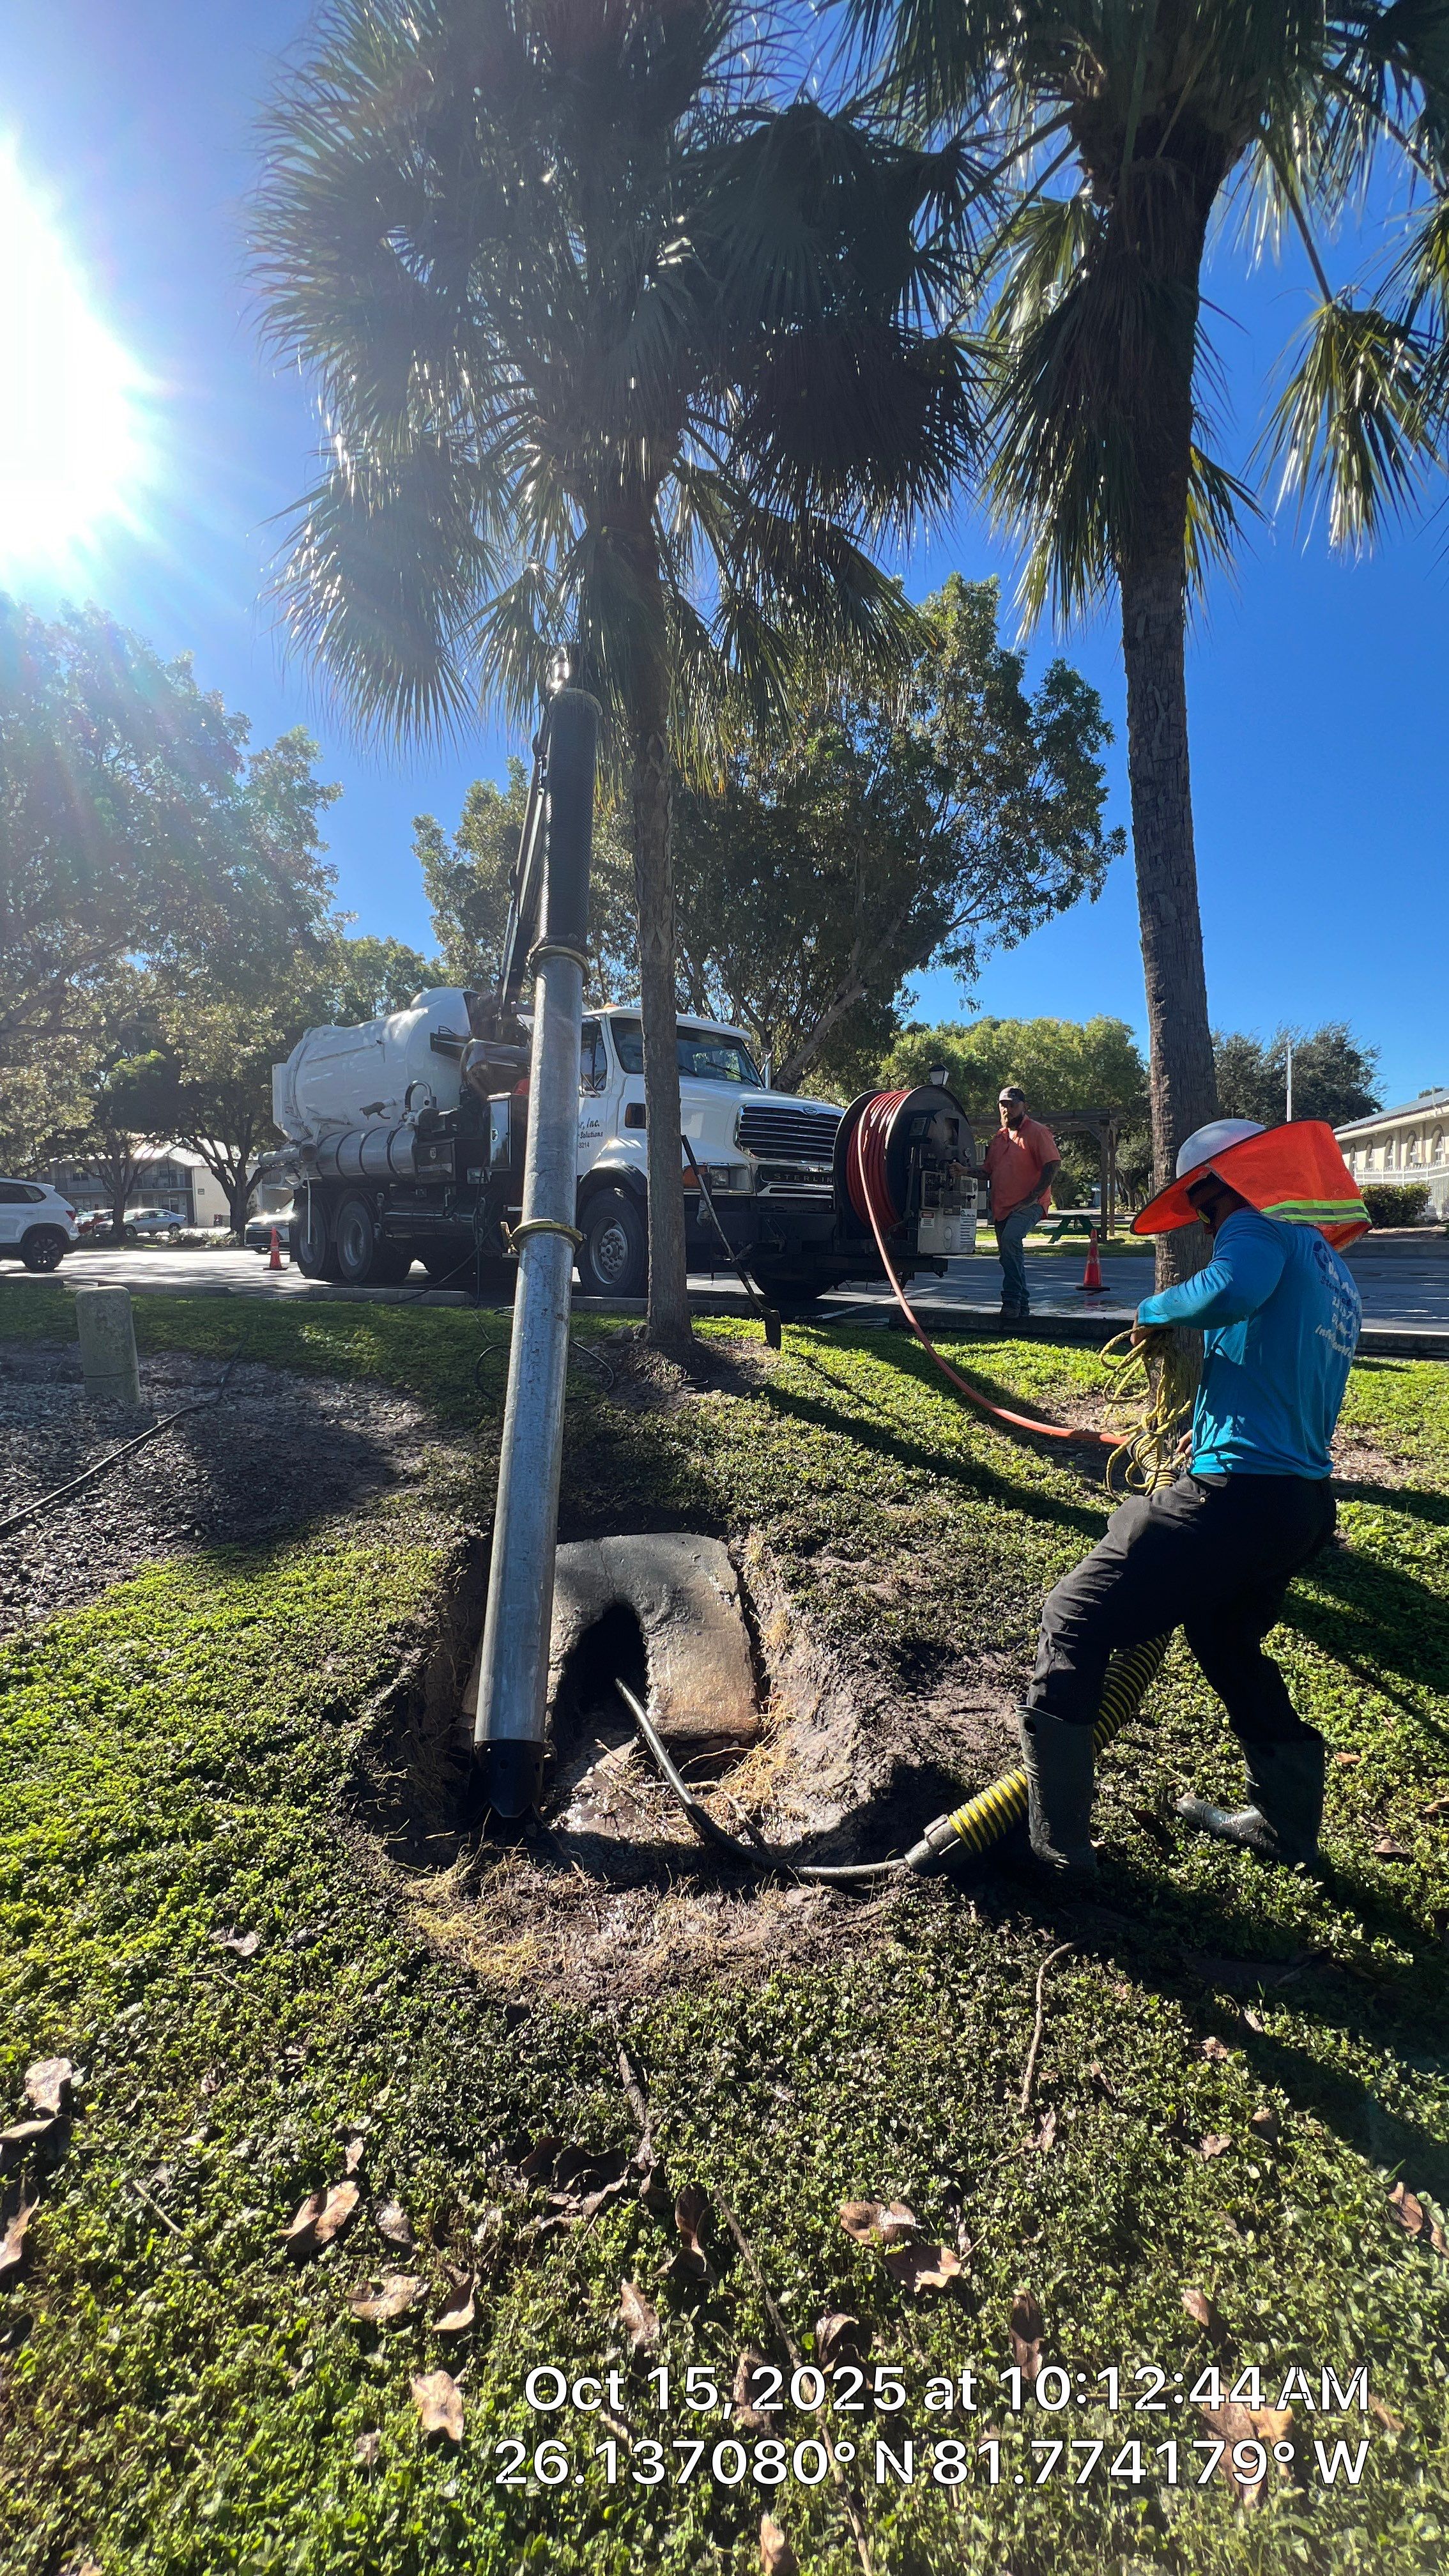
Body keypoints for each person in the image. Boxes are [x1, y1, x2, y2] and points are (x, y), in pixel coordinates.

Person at [1016, 1116, 1368, 1879]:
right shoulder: (1330, 1269)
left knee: (1073, 1616)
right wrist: (1203, 1434)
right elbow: (1272, 1371)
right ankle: (1286, 1828)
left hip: (1237, 1495)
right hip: (1298, 1504)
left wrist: (1154, 1309)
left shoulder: (1255, 1224)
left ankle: (1057, 1851)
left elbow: (1233, 1289)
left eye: (1202, 1205)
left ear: (1211, 1188)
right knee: (1225, 1641)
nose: (1207, 1222)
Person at [983, 1087, 1059, 1324]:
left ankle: (1011, 1301)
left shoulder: (1037, 1132)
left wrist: (1034, 1197)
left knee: (1010, 1242)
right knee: (1008, 1256)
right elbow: (989, 1172)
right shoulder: (999, 1138)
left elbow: (1052, 1165)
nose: (1007, 1109)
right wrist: (964, 1171)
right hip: (1002, 1208)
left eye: (1013, 1104)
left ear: (1024, 1106)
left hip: (1029, 1205)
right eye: (1003, 1105)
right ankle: (1023, 1308)